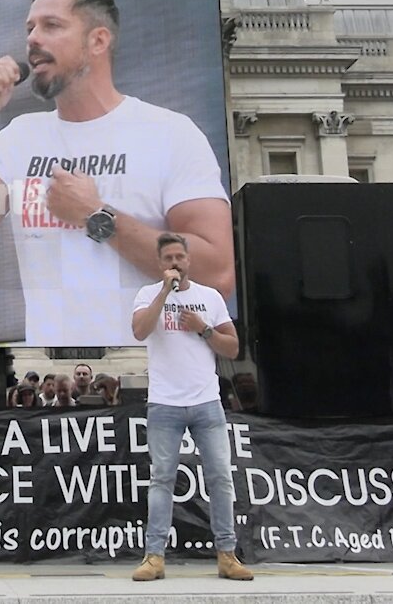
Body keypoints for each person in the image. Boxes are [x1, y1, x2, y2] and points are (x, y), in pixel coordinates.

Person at [0, 0, 233, 346]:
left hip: (157, 384)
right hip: (53, 384)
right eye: (30, 29)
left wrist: (97, 217)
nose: (33, 39)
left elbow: (217, 273)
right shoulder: (19, 139)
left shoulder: (170, 133)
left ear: (98, 41)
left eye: (51, 26)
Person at [130, 233, 251, 582]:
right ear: (159, 263)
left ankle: (227, 554)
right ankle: (154, 557)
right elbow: (139, 331)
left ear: (189, 260)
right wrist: (163, 293)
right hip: (165, 403)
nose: (175, 263)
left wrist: (204, 328)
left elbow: (231, 348)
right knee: (162, 479)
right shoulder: (147, 295)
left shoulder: (209, 298)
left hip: (206, 403)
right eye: (168, 258)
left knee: (219, 478)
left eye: (180, 257)